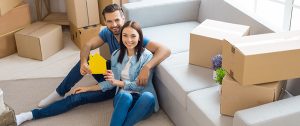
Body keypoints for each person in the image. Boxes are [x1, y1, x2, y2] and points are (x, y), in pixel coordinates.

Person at [15, 4, 170, 126]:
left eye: (117, 20)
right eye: (109, 21)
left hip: (121, 84)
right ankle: (55, 95)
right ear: (105, 22)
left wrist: (146, 67)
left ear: (123, 18)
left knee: (82, 98)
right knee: (88, 65)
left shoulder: (136, 39)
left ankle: (34, 113)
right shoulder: (112, 43)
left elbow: (164, 50)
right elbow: (87, 46)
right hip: (114, 77)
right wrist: (84, 63)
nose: (114, 24)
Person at [103, 20, 159, 126]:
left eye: (133, 36)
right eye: (125, 35)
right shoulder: (115, 55)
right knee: (125, 96)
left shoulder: (147, 56)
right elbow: (111, 81)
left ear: (139, 38)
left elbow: (140, 86)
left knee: (149, 96)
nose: (129, 40)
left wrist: (118, 83)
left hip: (142, 102)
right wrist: (87, 88)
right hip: (122, 101)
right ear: (121, 37)